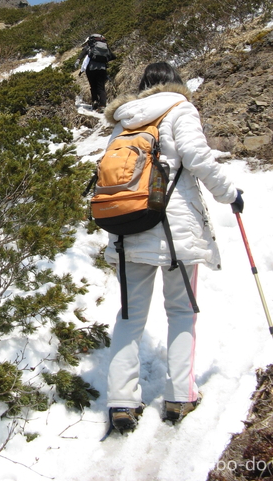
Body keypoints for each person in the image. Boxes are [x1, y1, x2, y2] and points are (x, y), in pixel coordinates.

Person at [102, 62, 243, 433]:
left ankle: (121, 401)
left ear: (142, 86)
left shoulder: (125, 119)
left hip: (128, 229)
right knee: (181, 311)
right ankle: (180, 396)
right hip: (175, 232)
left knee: (129, 316)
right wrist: (230, 194)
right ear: (176, 83)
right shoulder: (181, 109)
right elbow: (198, 158)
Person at [75, 34, 116, 110]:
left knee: (93, 86)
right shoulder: (105, 47)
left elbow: (82, 53)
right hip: (102, 69)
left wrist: (78, 60)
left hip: (90, 69)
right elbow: (113, 56)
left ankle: (95, 102)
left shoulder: (90, 46)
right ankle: (102, 105)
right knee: (101, 87)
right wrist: (103, 60)